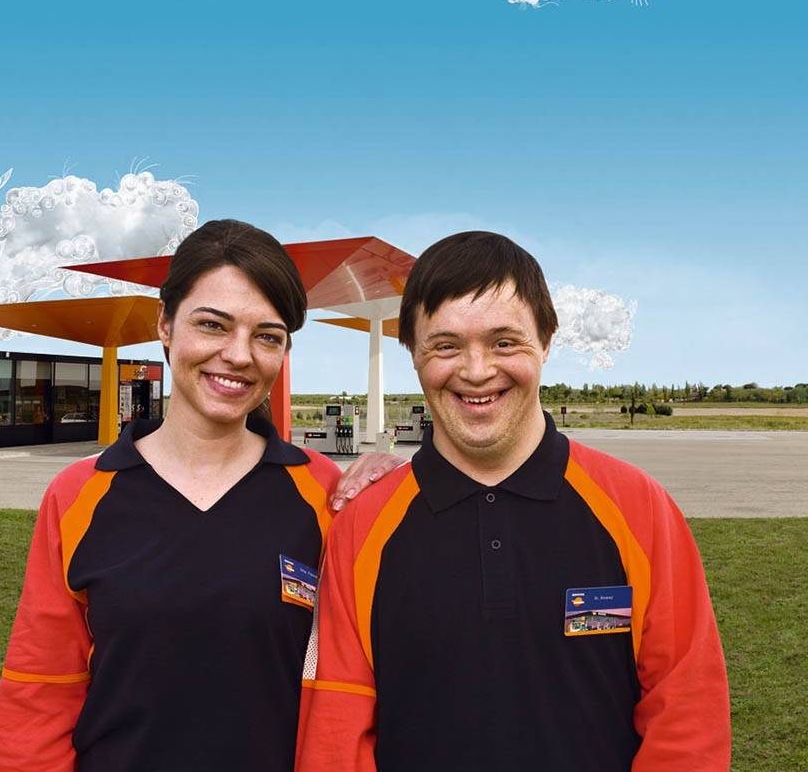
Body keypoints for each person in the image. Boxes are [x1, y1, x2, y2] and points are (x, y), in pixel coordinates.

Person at [296, 231, 731, 771]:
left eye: (505, 342)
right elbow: (338, 726)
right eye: (446, 345)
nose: (477, 371)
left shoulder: (639, 507)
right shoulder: (362, 526)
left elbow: (687, 709)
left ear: (546, 342)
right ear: (412, 352)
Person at [0, 219, 401, 772]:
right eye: (212, 325)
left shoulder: (326, 493)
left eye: (267, 336)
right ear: (165, 324)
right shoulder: (80, 494)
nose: (238, 355)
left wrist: (399, 487)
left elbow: (361, 685)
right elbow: (39, 691)